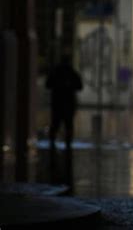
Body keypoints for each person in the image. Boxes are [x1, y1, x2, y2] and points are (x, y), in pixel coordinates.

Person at [46, 53, 83, 184]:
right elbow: (79, 86)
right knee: (67, 125)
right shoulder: (72, 73)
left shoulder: (56, 72)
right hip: (68, 104)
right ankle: (67, 144)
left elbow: (48, 84)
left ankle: (53, 143)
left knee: (55, 125)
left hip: (58, 104)